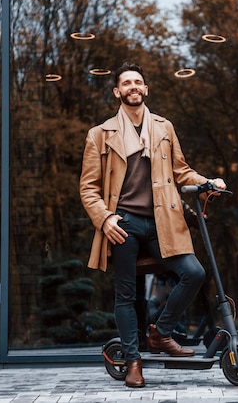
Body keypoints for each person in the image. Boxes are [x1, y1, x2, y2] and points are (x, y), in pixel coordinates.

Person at [79, 62, 226, 388]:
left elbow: (181, 171)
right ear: (118, 91)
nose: (133, 86)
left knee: (194, 273)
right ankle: (133, 362)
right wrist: (104, 218)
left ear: (145, 89)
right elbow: (88, 188)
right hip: (123, 224)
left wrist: (207, 183)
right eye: (126, 83)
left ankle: (160, 332)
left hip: (162, 222)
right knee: (126, 295)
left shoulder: (163, 128)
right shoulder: (100, 134)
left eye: (138, 82)